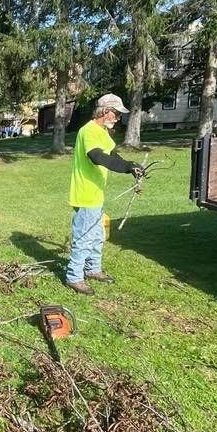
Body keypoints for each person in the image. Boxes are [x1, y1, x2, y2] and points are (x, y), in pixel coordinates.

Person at [66, 94, 146, 293]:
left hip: (96, 194)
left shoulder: (102, 132)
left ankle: (92, 269)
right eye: (116, 113)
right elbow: (97, 156)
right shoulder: (89, 131)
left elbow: (111, 154)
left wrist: (131, 165)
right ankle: (74, 277)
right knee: (84, 237)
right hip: (86, 194)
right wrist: (126, 167)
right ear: (105, 111)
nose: (117, 118)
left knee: (97, 235)